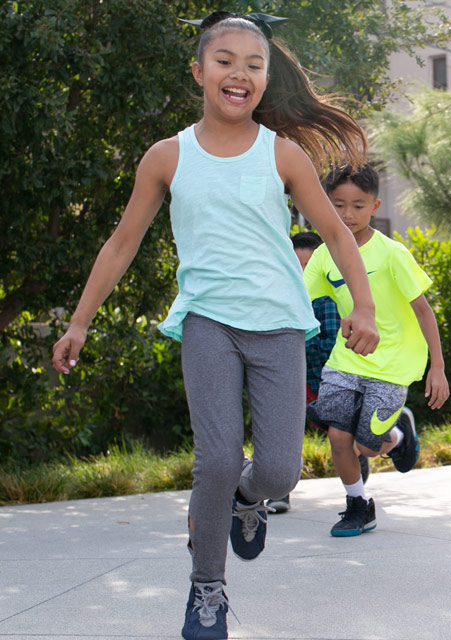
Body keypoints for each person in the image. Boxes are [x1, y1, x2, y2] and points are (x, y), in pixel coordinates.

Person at [50, 13, 379, 640]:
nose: (240, 74)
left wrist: (362, 307)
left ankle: (247, 502)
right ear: (199, 72)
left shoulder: (281, 153)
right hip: (207, 323)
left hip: (280, 326)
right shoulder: (167, 157)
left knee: (279, 470)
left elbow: (336, 232)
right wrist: (80, 323)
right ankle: (207, 591)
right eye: (225, 61)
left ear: (265, 79)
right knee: (217, 458)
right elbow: (122, 244)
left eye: (255, 65)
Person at [303, 164, 449, 538]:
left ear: (374, 206)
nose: (348, 215)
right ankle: (358, 505)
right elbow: (299, 304)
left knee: (366, 446)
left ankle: (399, 434)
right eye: (338, 206)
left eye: (358, 205)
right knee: (338, 437)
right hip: (347, 358)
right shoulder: (323, 256)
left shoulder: (391, 253)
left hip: (393, 364)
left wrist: (437, 368)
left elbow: (423, 311)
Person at [266, 232, 369, 515]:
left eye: (308, 267)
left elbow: (329, 344)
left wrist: (295, 342)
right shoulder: (278, 301)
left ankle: (357, 470)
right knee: (282, 434)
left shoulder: (326, 301)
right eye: (295, 267)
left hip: (325, 380)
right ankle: (280, 492)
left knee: (346, 437)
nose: (302, 275)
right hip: (289, 379)